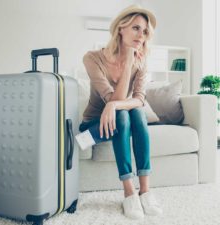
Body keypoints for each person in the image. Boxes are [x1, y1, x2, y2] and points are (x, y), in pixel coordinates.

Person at [79, 5, 162, 219]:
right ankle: (129, 192)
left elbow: (139, 99)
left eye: (144, 32)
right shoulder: (92, 58)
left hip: (119, 116)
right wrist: (127, 65)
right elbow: (112, 98)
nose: (141, 36)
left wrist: (115, 106)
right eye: (136, 28)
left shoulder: (141, 61)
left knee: (134, 112)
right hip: (94, 123)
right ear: (121, 29)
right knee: (125, 112)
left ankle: (145, 190)